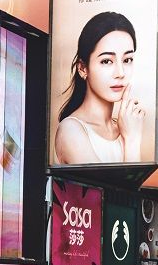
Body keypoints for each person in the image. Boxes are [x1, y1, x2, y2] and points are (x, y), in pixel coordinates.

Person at [53, 11, 146, 164]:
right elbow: (114, 188)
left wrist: (131, 137)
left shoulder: (126, 128)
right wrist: (132, 141)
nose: (120, 73)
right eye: (106, 61)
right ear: (83, 68)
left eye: (127, 59)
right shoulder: (71, 131)